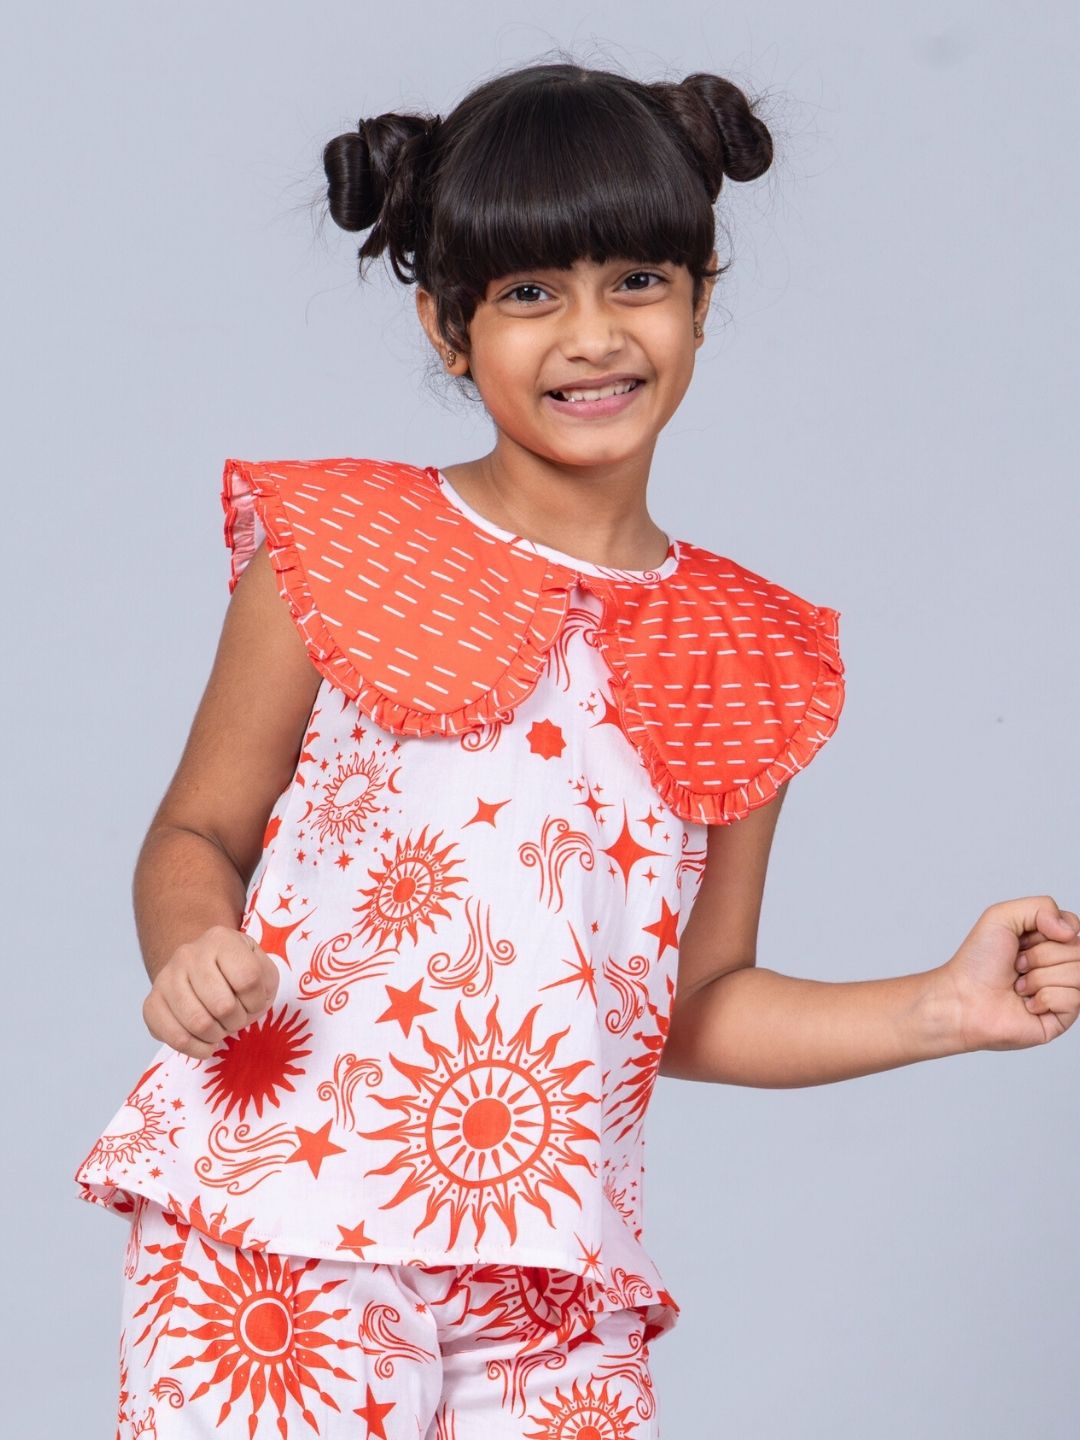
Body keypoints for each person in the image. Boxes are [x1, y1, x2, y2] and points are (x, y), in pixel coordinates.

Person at [74, 57, 1079, 1440]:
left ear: (704, 298)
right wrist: (191, 944)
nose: (593, 336)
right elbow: (196, 831)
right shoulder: (337, 549)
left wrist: (941, 1009)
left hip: (551, 1274)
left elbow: (693, 1002)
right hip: (277, 1219)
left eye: (638, 281)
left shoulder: (745, 649)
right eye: (530, 294)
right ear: (447, 327)